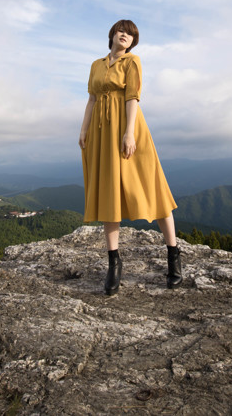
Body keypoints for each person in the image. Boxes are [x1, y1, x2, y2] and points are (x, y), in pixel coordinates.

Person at [78, 19, 181, 295]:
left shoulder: (132, 62)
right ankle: (114, 264)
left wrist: (129, 133)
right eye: (121, 30)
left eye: (130, 33)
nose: (125, 35)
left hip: (128, 129)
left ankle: (173, 256)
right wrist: (84, 130)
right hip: (101, 132)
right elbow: (91, 99)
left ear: (133, 41)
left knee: (152, 187)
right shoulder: (96, 65)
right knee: (109, 193)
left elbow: (132, 98)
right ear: (111, 34)